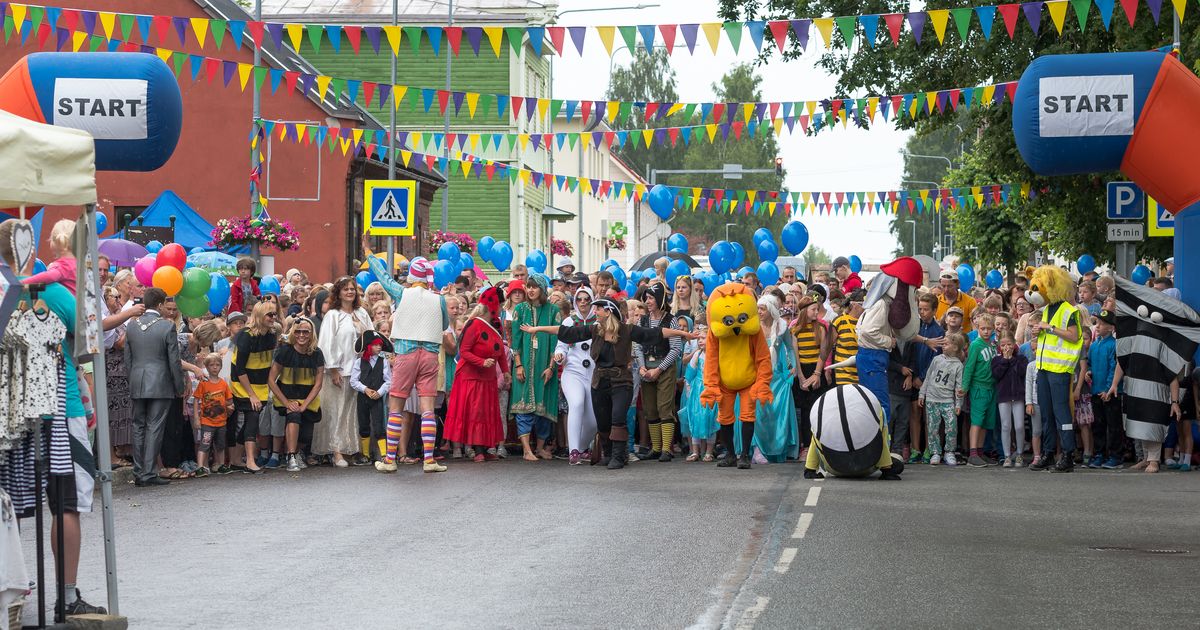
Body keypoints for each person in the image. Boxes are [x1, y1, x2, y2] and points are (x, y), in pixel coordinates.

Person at [0, 220, 107, 615]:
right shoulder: (58, 292)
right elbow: (91, 341)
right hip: (62, 409)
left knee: (9, 500)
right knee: (66, 504)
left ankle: (11, 586)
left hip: (10, 409)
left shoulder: (8, 290)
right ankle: (66, 594)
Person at [522, 298, 695, 469]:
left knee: (617, 418)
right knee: (603, 422)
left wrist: (683, 334)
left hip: (621, 382)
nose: (594, 312)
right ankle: (608, 453)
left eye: (597, 309)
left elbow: (655, 333)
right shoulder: (595, 329)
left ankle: (619, 456)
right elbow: (566, 332)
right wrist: (537, 329)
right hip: (600, 381)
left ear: (608, 311)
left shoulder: (627, 330)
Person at [365, 237, 451, 474]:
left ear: (412, 277)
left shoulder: (402, 293)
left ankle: (390, 459)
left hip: (405, 352)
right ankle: (429, 460)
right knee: (427, 409)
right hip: (430, 355)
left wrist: (368, 252)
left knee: (396, 407)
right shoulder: (439, 298)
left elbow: (383, 278)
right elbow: (444, 323)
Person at [125, 287, 188, 485]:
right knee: (154, 427)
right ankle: (149, 473)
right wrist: (179, 386)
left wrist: (132, 379)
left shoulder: (132, 326)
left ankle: (138, 471)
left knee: (138, 426)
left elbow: (128, 359)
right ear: (160, 305)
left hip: (137, 380)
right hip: (160, 382)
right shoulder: (166, 326)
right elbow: (173, 361)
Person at [445, 287, 510, 463]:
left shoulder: (496, 324)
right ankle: (477, 449)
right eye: (501, 304)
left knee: (487, 412)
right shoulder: (473, 324)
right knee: (476, 413)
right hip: (471, 376)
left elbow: (501, 352)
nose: (503, 307)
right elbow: (464, 351)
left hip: (488, 377)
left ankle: (485, 446)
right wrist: (481, 362)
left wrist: (505, 371)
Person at [314, 277, 373, 467]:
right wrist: (332, 369)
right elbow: (326, 343)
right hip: (340, 370)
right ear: (338, 293)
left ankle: (353, 449)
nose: (350, 292)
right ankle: (337, 451)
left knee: (354, 412)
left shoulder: (362, 313)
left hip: (359, 370)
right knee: (337, 411)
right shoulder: (333, 315)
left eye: (352, 289)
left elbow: (372, 337)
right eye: (346, 289)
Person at [268, 317, 325, 472]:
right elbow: (271, 380)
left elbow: (318, 383)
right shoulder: (284, 351)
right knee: (293, 416)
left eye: (305, 331)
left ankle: (297, 451)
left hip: (308, 399)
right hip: (288, 397)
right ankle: (291, 456)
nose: (301, 335)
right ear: (293, 332)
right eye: (298, 331)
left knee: (306, 435)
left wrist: (305, 405)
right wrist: (286, 403)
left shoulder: (317, 353)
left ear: (311, 333)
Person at [229, 301, 279, 474]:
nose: (273, 317)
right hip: (242, 383)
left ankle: (235, 459)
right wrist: (251, 394)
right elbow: (239, 368)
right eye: (269, 315)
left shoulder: (271, 334)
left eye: (274, 314)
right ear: (259, 316)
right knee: (252, 417)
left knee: (251, 419)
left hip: (260, 384)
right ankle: (250, 461)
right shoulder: (246, 336)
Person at [636, 282, 684, 462]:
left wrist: (659, 369)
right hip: (646, 367)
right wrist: (641, 366)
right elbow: (638, 346)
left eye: (650, 298)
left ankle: (667, 449)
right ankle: (655, 448)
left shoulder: (671, 320)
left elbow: (676, 348)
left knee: (665, 406)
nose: (647, 302)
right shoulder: (643, 320)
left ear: (659, 299)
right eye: (646, 298)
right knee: (649, 408)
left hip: (664, 367)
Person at [749, 295, 798, 463]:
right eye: (758, 309)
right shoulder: (753, 326)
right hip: (757, 375)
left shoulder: (782, 327)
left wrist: (793, 369)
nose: (759, 312)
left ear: (771, 310)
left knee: (776, 413)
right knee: (759, 412)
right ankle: (757, 449)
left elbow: (790, 349)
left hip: (777, 376)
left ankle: (774, 448)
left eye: (762, 309)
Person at [554, 287, 598, 465]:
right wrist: (560, 356)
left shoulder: (599, 321)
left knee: (594, 420)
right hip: (573, 372)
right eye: (579, 299)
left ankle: (581, 447)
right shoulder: (569, 321)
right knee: (577, 403)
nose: (583, 302)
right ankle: (573, 451)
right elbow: (561, 346)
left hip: (594, 374)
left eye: (587, 299)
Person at [918, 333, 966, 466]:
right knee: (932, 427)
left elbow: (959, 386)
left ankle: (949, 452)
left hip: (948, 401)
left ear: (955, 347)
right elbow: (928, 377)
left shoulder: (958, 366)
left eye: (946, 344)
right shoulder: (937, 359)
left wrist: (958, 404)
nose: (943, 346)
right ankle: (935, 453)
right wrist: (922, 394)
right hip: (932, 399)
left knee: (951, 427)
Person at [907, 293, 944, 462]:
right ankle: (916, 449)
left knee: (929, 417)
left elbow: (936, 360)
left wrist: (923, 378)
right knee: (914, 413)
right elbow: (911, 352)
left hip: (929, 381)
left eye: (926, 309)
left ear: (935, 310)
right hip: (914, 378)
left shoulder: (939, 331)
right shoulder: (915, 328)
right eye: (920, 309)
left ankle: (929, 448)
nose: (922, 312)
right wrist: (913, 375)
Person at [958, 312, 998, 467]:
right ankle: (973, 453)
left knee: (987, 422)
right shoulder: (976, 345)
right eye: (983, 329)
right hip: (978, 387)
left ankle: (980, 452)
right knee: (977, 421)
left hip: (991, 387)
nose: (986, 331)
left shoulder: (993, 344)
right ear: (977, 328)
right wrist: (965, 387)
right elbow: (969, 367)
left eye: (989, 328)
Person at [350, 330, 393, 464]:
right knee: (363, 425)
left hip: (377, 398)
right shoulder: (359, 362)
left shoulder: (383, 361)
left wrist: (379, 392)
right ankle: (366, 455)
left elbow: (388, 380)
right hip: (363, 398)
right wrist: (365, 389)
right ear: (368, 346)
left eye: (380, 345)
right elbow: (353, 381)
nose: (379, 347)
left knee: (379, 425)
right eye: (375, 345)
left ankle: (384, 454)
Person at [1089, 310, 1123, 469]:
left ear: (1111, 328)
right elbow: (1090, 364)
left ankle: (1115, 455)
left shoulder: (1114, 345)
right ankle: (1099, 454)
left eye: (1102, 324)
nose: (1098, 326)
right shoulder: (1094, 345)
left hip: (1110, 392)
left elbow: (1113, 367)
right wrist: (1089, 372)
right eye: (1096, 323)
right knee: (1098, 425)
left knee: (1113, 425)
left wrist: (1108, 388)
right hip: (1096, 391)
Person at [680, 326, 718, 461]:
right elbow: (689, 374)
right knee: (695, 418)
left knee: (711, 419)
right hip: (698, 391)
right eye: (699, 338)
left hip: (712, 390)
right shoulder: (697, 355)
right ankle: (695, 451)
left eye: (704, 338)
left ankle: (709, 451)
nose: (700, 341)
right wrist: (689, 391)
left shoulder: (716, 355)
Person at [991, 332, 1028, 467]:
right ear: (999, 346)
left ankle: (1019, 453)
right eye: (1003, 345)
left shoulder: (1021, 359)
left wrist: (1011, 359)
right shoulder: (996, 360)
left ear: (1014, 345)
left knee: (1019, 426)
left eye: (1009, 344)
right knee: (1006, 426)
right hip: (1004, 397)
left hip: (1018, 396)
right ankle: (1007, 456)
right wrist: (1005, 360)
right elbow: (996, 375)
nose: (1006, 347)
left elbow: (1022, 372)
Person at [192, 353, 233, 477]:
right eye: (211, 365)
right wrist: (196, 418)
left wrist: (224, 405)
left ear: (221, 367)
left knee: (220, 445)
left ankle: (220, 465)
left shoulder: (223, 384)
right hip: (207, 422)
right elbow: (196, 400)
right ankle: (200, 466)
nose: (215, 367)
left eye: (217, 365)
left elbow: (229, 400)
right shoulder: (203, 383)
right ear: (207, 367)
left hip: (221, 421)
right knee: (205, 444)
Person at [21, 219, 78, 294]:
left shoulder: (63, 266)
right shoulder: (79, 265)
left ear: (54, 243)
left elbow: (50, 276)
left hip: (64, 304)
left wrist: (22, 283)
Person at [831, 290, 863, 385]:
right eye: (864, 305)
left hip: (863, 374)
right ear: (854, 304)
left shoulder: (868, 321)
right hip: (843, 374)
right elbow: (829, 346)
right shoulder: (839, 321)